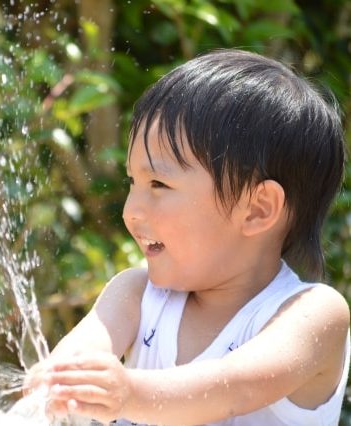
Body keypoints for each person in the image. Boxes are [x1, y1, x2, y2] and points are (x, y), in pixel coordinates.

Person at [25, 49, 350, 425]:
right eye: (133, 182)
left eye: (159, 183)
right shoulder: (134, 295)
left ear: (258, 208)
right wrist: (61, 381)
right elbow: (81, 354)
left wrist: (127, 393)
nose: (131, 210)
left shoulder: (312, 314)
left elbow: (234, 388)